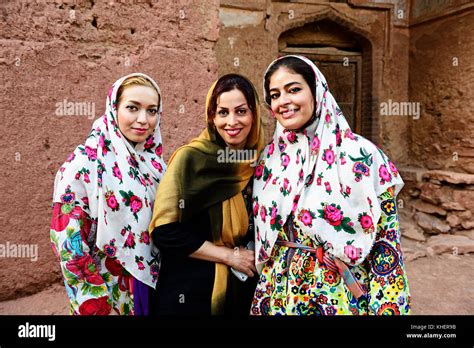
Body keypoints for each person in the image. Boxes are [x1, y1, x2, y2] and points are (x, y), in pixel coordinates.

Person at [251, 55, 411, 315]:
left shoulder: (363, 157)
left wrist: (387, 309)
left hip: (338, 296)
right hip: (278, 294)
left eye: (294, 89)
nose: (284, 101)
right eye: (275, 94)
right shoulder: (269, 160)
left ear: (316, 92)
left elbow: (386, 244)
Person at [50, 73, 166, 315]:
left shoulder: (154, 166)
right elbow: (69, 246)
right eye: (133, 108)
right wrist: (97, 305)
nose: (143, 120)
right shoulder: (84, 165)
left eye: (152, 111)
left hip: (153, 288)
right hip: (110, 295)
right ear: (113, 109)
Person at [149, 74, 264, 315]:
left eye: (241, 111)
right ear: (211, 116)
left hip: (242, 291)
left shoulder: (261, 162)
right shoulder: (190, 160)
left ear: (254, 115)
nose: (232, 121)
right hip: (190, 294)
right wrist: (229, 256)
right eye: (222, 112)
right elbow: (164, 231)